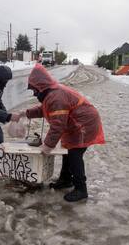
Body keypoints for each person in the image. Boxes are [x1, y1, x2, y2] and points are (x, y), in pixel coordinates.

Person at [20, 64, 105, 202]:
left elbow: (57, 126)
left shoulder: (56, 97)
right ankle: (66, 179)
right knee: (68, 150)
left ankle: (81, 189)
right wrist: (25, 114)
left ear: (41, 86)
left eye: (34, 90)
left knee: (74, 155)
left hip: (84, 125)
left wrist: (47, 147)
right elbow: (44, 110)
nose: (34, 93)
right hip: (78, 124)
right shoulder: (51, 93)